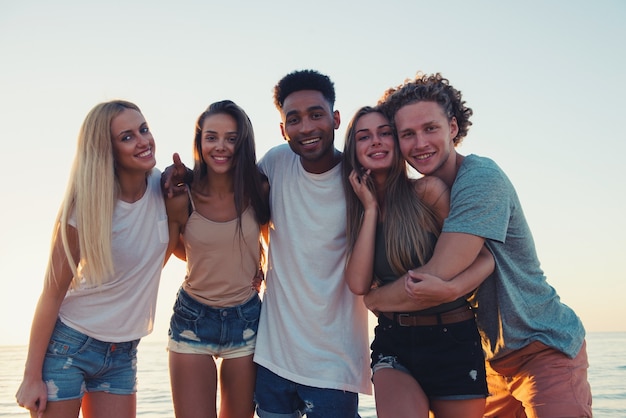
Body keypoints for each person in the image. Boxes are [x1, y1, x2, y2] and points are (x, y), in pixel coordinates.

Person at [368, 72, 593, 417]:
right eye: (407, 134)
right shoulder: (417, 198)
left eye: (430, 128)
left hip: (542, 346)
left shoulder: (480, 178)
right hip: (485, 357)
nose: (420, 142)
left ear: (453, 128)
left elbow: (439, 272)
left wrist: (370, 298)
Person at [15, 100, 171, 418]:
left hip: (124, 352)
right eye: (127, 137)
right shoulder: (83, 209)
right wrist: (31, 377)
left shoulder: (165, 188)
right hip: (69, 346)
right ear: (107, 149)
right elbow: (52, 293)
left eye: (143, 129)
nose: (143, 140)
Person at [342, 106, 493, 418]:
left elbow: (484, 258)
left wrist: (451, 289)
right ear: (353, 149)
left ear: (397, 142)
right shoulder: (357, 211)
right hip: (394, 342)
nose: (376, 142)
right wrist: (370, 209)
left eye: (385, 133)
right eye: (364, 136)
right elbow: (358, 284)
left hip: (453, 336)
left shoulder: (428, 192)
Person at [252, 70, 372, 417]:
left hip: (335, 364)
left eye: (316, 115)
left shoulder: (359, 177)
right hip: (273, 356)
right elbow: (233, 202)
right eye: (294, 119)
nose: (306, 127)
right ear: (283, 129)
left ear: (335, 119)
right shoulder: (275, 162)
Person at [165, 100, 270, 418]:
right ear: (200, 142)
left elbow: (271, 239)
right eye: (211, 137)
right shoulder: (184, 194)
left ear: (244, 142)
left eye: (231, 138)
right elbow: (178, 250)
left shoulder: (260, 188)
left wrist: (258, 266)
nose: (221, 146)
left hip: (247, 322)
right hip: (192, 320)